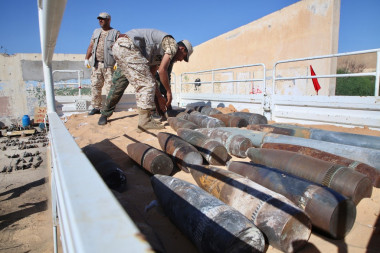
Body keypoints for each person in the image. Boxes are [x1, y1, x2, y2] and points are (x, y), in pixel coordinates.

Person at [98, 29, 193, 132]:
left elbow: (151, 76)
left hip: (125, 50)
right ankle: (142, 121)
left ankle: (145, 118)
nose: (181, 60)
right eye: (183, 57)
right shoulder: (172, 44)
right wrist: (169, 92)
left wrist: (160, 97)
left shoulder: (160, 54)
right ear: (182, 48)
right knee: (123, 85)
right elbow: (162, 71)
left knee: (147, 83)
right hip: (128, 48)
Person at [85, 12, 120, 115]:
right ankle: (96, 107)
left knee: (110, 87)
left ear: (109, 20)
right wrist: (86, 58)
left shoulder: (115, 33)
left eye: (103, 19)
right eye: (99, 19)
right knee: (95, 86)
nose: (100, 20)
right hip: (97, 65)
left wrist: (117, 61)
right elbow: (91, 46)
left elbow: (118, 48)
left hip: (109, 65)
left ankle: (109, 108)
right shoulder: (96, 32)